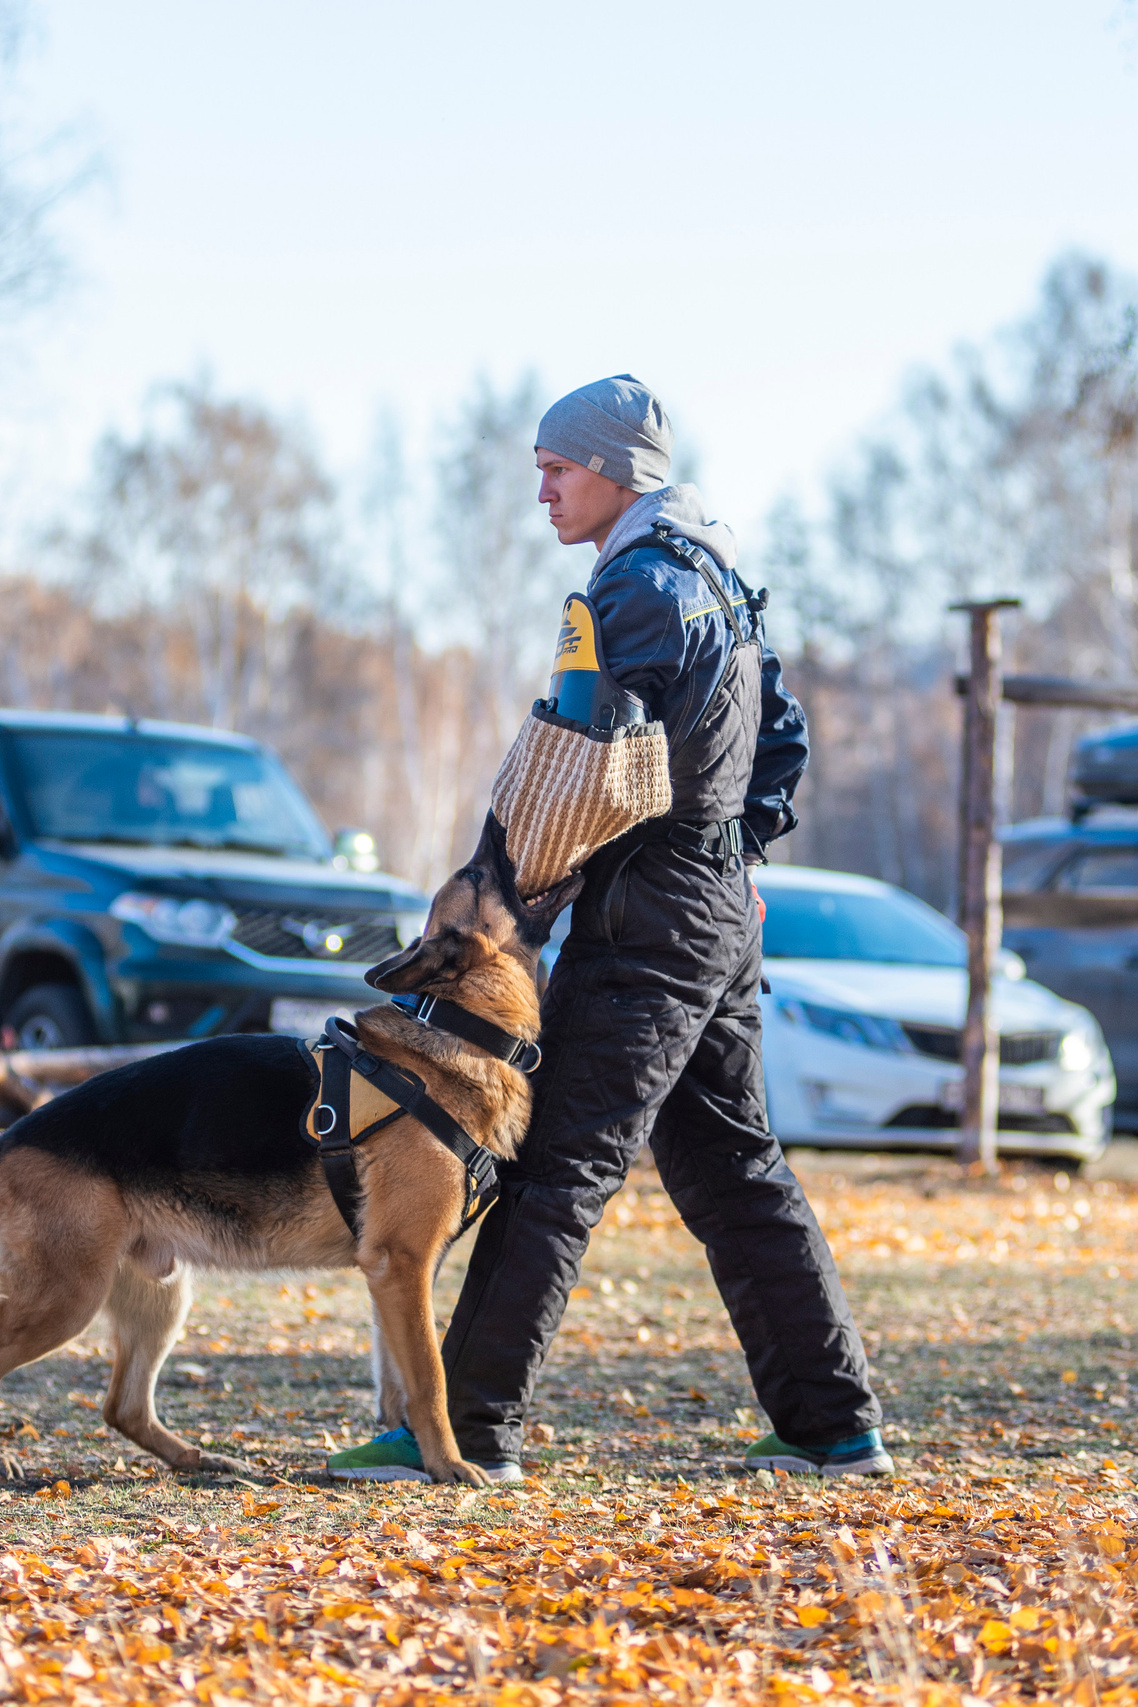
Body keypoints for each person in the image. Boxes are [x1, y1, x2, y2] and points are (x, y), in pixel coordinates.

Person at [329, 376, 887, 1484]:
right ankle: (832, 1425)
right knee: (734, 1166)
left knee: (555, 1167)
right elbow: (781, 735)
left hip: (645, 915)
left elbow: (570, 757)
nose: (539, 489)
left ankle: (464, 1432)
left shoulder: (633, 589)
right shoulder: (716, 576)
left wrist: (496, 889)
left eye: (557, 467)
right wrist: (739, 854)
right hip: (712, 911)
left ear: (619, 472)